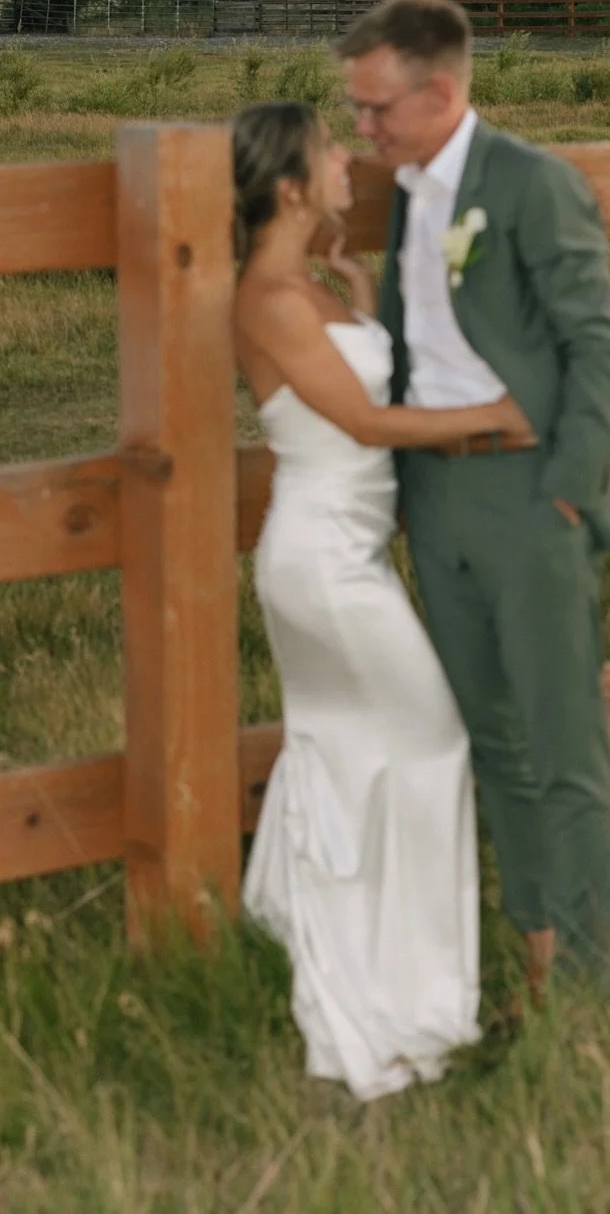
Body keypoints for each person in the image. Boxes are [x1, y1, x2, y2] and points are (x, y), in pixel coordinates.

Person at [338, 0, 610, 998]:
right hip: (439, 499)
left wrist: (565, 489)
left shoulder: (531, 184)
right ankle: (537, 954)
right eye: (354, 110)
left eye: (376, 108)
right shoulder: (413, 190)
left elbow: (598, 345)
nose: (362, 128)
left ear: (439, 90)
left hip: (528, 498)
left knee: (562, 745)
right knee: (494, 741)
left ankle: (593, 987)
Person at [235, 100, 535, 1102]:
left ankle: (361, 959)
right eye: (329, 151)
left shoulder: (311, 288)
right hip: (321, 562)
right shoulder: (269, 297)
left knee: (363, 748)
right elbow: (361, 419)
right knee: (433, 736)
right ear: (287, 184)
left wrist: (359, 304)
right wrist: (493, 414)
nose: (347, 162)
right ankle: (398, 1000)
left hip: (348, 553)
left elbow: (357, 383)